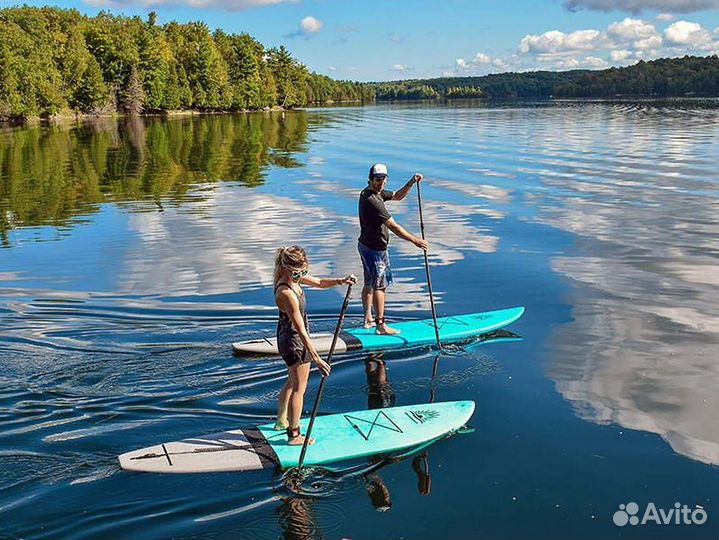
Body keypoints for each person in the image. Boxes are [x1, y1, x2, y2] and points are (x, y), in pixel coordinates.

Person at [273, 245, 356, 445]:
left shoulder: (293, 279)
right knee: (299, 389)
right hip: (294, 341)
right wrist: (317, 358)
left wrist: (340, 281)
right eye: (297, 272)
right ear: (286, 268)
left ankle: (281, 421)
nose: (301, 275)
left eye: (304, 271)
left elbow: (319, 282)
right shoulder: (286, 292)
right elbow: (300, 329)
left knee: (292, 382)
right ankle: (294, 435)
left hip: (289, 338)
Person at [358, 163, 429, 335]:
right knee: (380, 287)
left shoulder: (373, 192)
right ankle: (380, 326)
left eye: (383, 179)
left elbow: (397, 196)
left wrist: (411, 183)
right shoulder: (373, 200)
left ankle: (368, 319)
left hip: (365, 245)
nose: (381, 182)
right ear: (370, 180)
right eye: (377, 179)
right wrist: (415, 240)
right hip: (376, 250)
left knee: (369, 283)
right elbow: (394, 226)